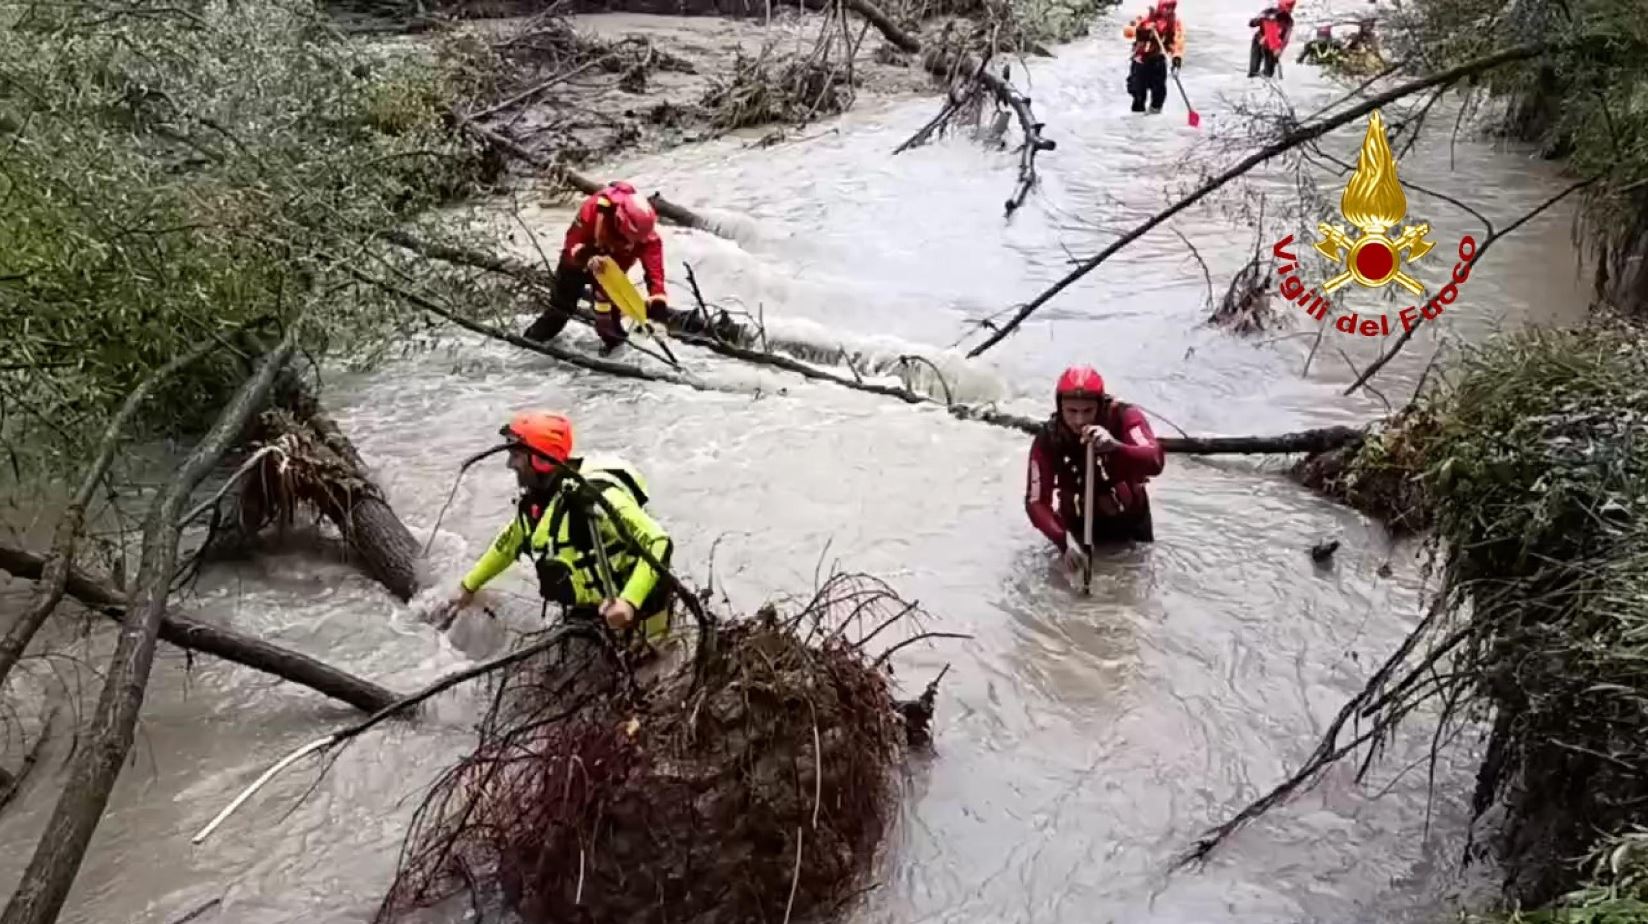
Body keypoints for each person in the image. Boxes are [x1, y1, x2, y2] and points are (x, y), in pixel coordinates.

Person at [437, 411, 677, 648]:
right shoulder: (538, 502)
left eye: (517, 456)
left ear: (541, 460)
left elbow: (658, 541)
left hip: (642, 607)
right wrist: (467, 588)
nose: (510, 464)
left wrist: (629, 601)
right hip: (591, 610)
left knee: (654, 668)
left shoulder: (598, 497)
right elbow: (509, 544)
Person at [1025, 366, 1165, 569]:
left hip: (1131, 523)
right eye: (1071, 411)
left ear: (1100, 406)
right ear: (1059, 407)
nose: (1079, 421)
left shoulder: (1125, 417)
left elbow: (1155, 460)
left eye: (1087, 411)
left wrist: (1116, 448)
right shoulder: (1049, 438)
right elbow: (1036, 501)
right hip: (1077, 528)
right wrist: (1062, 540)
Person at [521, 181, 670, 352]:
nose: (631, 245)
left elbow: (655, 277)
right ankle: (527, 345)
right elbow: (573, 242)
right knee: (559, 313)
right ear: (620, 222)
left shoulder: (648, 236)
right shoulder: (593, 210)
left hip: (611, 273)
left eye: (637, 242)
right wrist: (587, 257)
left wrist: (659, 317)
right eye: (630, 239)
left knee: (610, 327)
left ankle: (613, 362)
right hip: (578, 262)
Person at [1122, 0, 1185, 115]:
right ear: (1160, 7)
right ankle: (1137, 121)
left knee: (1159, 95)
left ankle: (1154, 119)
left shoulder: (1174, 22)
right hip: (1140, 61)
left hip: (1158, 61)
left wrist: (1176, 58)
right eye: (1166, 8)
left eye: (1171, 8)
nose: (1168, 11)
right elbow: (1127, 32)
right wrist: (1142, 30)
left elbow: (1178, 41)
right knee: (1138, 94)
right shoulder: (1145, 17)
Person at [1248, 0, 1296, 79]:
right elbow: (1253, 24)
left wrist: (1279, 50)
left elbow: (1285, 38)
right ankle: (1253, 77)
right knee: (1254, 69)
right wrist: (1260, 18)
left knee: (1269, 73)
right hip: (1260, 40)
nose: (1289, 9)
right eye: (1288, 6)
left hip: (1274, 46)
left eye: (1291, 7)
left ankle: (1265, 77)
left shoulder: (1289, 21)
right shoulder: (1269, 13)